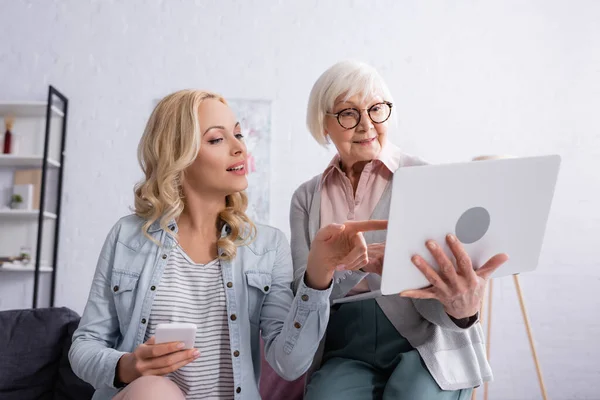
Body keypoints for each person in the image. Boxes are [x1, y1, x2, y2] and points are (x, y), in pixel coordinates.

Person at [68, 89, 385, 400]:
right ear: (178, 153)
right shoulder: (128, 237)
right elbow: (85, 344)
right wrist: (129, 365)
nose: (240, 149)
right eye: (217, 139)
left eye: (239, 135)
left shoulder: (267, 245)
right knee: (154, 390)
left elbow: (289, 364)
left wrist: (320, 274)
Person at [291, 60, 509, 400]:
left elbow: (448, 287)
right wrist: (345, 267)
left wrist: (461, 308)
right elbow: (301, 291)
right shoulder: (307, 197)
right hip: (345, 342)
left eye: (376, 109)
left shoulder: (426, 179)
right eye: (349, 113)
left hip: (426, 336)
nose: (367, 125)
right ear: (324, 125)